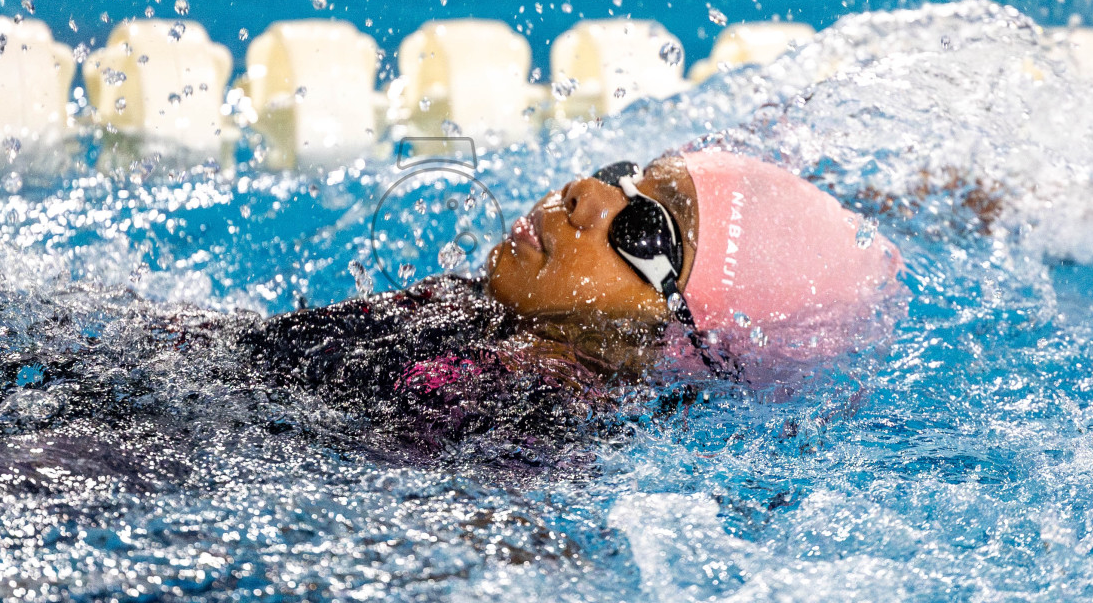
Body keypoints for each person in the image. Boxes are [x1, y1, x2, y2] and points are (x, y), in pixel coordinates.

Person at [178, 147, 906, 462]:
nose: (586, 195)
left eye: (644, 227)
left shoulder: (531, 419)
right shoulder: (479, 316)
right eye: (625, 176)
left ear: (675, 330)